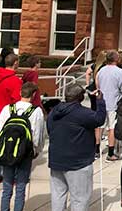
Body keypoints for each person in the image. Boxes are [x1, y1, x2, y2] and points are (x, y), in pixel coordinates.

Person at [47, 83, 107, 211]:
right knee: (80, 199)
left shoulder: (54, 112)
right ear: (80, 97)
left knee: (58, 196)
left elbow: (50, 130)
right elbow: (99, 119)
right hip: (78, 163)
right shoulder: (81, 113)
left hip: (57, 160)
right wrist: (100, 101)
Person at [0, 82, 46, 211]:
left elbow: (0, 132)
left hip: (7, 151)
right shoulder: (36, 111)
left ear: (20, 93)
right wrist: (37, 150)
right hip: (25, 153)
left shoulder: (7, 108)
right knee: (21, 186)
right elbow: (38, 134)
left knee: (7, 186)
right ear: (34, 94)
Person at [0, 52, 22, 186]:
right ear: (15, 63)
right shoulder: (15, 80)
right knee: (11, 146)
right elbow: (17, 100)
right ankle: (11, 176)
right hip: (9, 117)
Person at [95, 50, 122, 161]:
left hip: (101, 101)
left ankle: (96, 151)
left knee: (99, 126)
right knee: (111, 127)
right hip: (113, 102)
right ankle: (111, 153)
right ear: (116, 59)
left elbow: (97, 85)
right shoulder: (120, 72)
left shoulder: (100, 71)